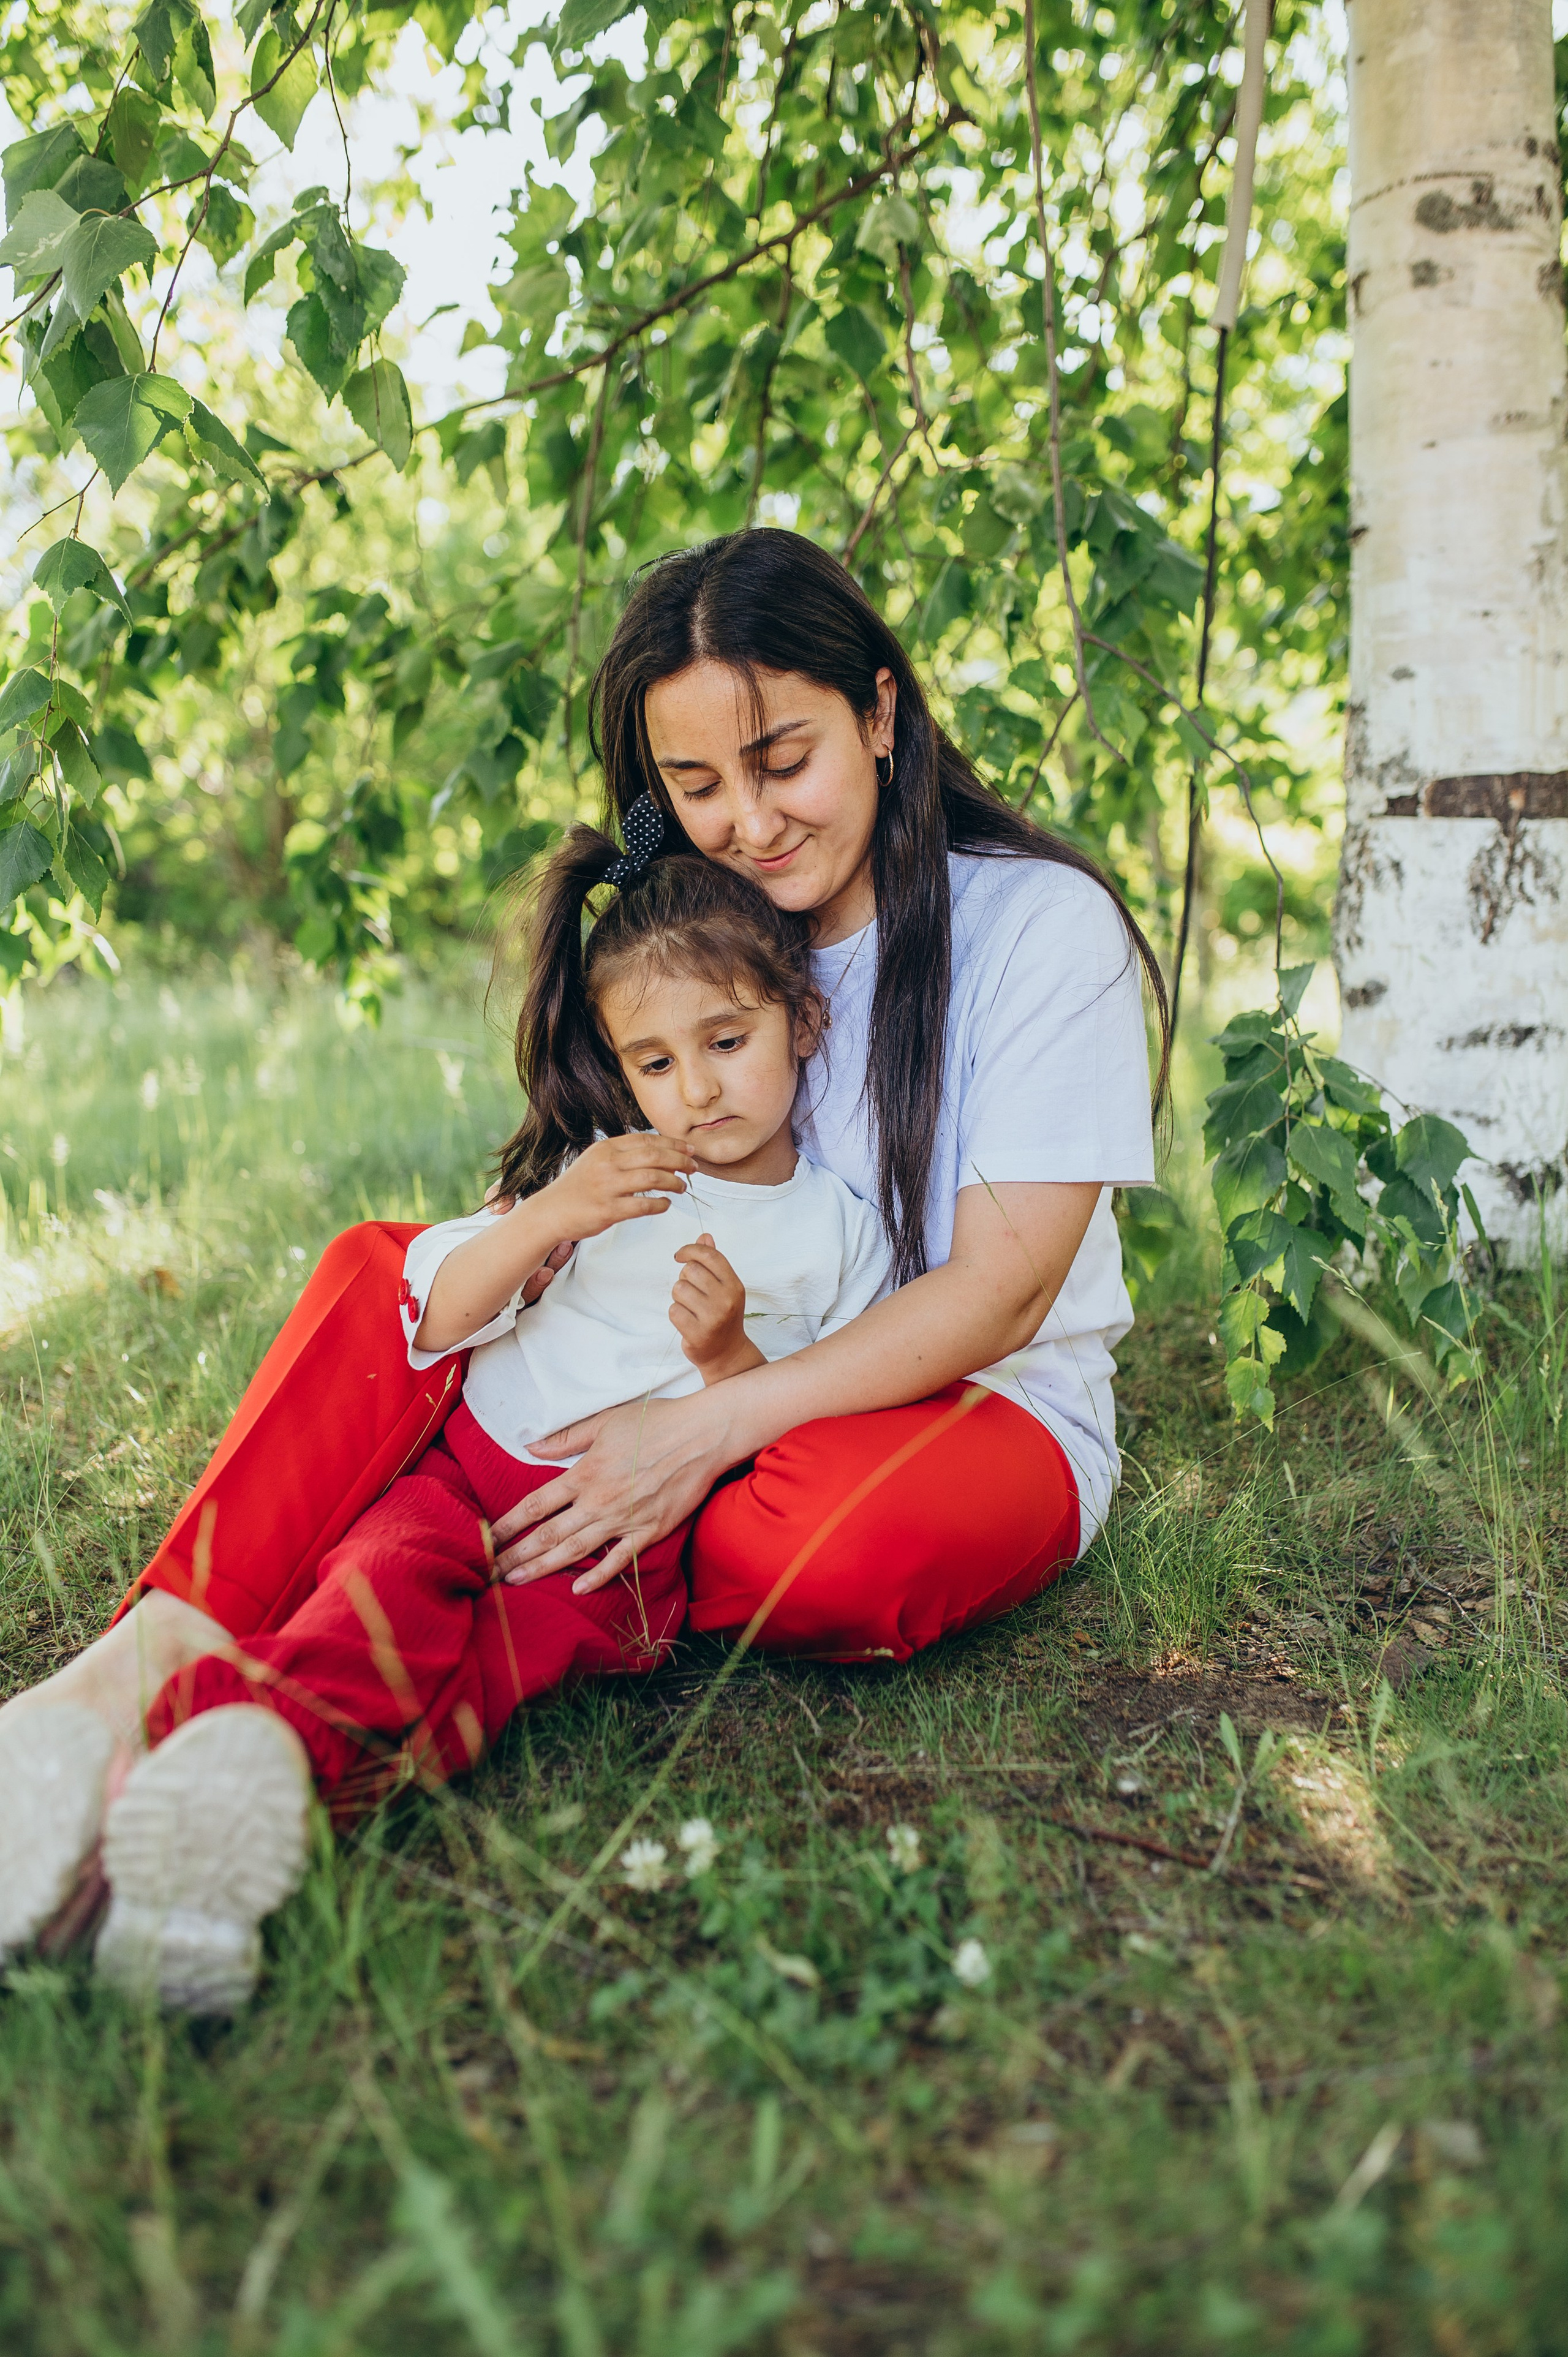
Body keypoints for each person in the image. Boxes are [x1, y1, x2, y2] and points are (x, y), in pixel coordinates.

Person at [1, 527, 1166, 1995]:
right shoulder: (699, 946)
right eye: (695, 785)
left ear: (879, 713)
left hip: (968, 1407)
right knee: (387, 1277)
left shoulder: (1031, 923)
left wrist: (708, 1420)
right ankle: (127, 1682)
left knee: (816, 1545)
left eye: (782, 758)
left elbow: (1001, 1289)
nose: (746, 820)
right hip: (688, 1391)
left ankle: (328, 1709)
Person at [1, 840, 890, 2010]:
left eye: (729, 1043)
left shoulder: (836, 1232)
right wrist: (550, 1215)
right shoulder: (604, 1174)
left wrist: (728, 1356)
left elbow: (806, 1427)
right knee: (383, 1580)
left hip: (622, 1545)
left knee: (491, 1669)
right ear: (622, 1071)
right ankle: (224, 1793)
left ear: (805, 1022)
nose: (700, 1089)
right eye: (656, 1062)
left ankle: (197, 1789)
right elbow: (440, 1313)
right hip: (467, 1472)